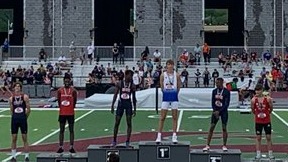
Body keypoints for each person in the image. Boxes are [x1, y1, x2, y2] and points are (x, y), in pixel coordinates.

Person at [155, 59, 181, 144]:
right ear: (166, 66)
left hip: (174, 97)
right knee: (162, 117)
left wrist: (175, 93)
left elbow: (179, 86)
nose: (170, 66)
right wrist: (166, 92)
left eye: (171, 64)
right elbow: (162, 86)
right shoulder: (163, 75)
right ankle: (159, 135)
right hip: (166, 97)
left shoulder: (176, 75)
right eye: (168, 65)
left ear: (173, 66)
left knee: (174, 117)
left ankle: (174, 135)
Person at [203, 77, 230, 151]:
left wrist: (219, 112)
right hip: (215, 111)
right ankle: (207, 145)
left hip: (223, 111)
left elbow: (226, 104)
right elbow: (212, 102)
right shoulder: (214, 91)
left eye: (217, 83)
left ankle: (224, 145)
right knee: (212, 127)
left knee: (224, 128)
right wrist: (215, 111)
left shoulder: (226, 92)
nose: (216, 84)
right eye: (216, 83)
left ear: (221, 83)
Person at [111, 70, 137, 147]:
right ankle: (114, 140)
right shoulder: (119, 83)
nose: (131, 77)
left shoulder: (132, 85)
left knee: (129, 122)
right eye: (130, 75)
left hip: (128, 104)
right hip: (121, 104)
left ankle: (128, 141)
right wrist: (112, 105)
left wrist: (134, 109)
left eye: (132, 76)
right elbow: (115, 95)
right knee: (117, 122)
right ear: (126, 75)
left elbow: (134, 98)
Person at [251, 84, 274, 160]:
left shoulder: (267, 99)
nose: (257, 92)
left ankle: (270, 153)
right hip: (258, 121)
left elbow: (271, 108)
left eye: (258, 90)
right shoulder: (253, 100)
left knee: (268, 137)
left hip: (267, 120)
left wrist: (266, 114)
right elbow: (253, 109)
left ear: (262, 90)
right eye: (256, 90)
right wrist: (258, 115)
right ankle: (258, 154)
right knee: (258, 137)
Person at [9, 82, 31, 161]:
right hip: (15, 119)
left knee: (24, 138)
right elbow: (11, 110)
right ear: (14, 88)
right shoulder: (11, 99)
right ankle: (13, 156)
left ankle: (26, 156)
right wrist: (14, 117)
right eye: (16, 86)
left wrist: (25, 118)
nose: (17, 88)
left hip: (22, 119)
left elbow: (28, 109)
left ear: (20, 88)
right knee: (14, 138)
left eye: (18, 86)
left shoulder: (25, 97)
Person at [57, 76, 78, 154]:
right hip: (62, 113)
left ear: (70, 81)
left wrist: (71, 107)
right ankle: (61, 147)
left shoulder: (73, 91)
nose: (67, 82)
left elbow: (75, 100)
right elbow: (59, 101)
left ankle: (71, 147)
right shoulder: (60, 90)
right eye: (65, 81)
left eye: (68, 81)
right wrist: (62, 108)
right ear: (63, 81)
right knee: (61, 130)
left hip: (70, 113)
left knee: (71, 130)